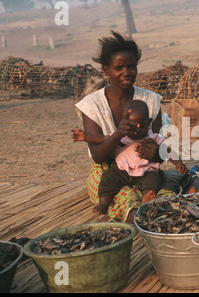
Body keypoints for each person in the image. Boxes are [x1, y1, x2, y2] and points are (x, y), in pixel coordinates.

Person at [75, 30, 175, 224]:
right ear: (106, 70)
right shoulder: (92, 105)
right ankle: (137, 217)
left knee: (159, 191)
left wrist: (157, 153)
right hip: (108, 169)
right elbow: (97, 155)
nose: (126, 72)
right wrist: (118, 134)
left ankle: (155, 213)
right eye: (119, 67)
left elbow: (159, 150)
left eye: (131, 66)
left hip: (144, 168)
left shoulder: (151, 100)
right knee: (117, 194)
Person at [74, 100, 188, 215]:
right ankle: (104, 203)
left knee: (153, 181)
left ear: (148, 123)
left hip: (146, 172)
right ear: (123, 124)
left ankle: (146, 198)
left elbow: (167, 150)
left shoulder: (154, 137)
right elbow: (102, 139)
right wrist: (86, 137)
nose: (136, 130)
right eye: (132, 127)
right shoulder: (121, 136)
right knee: (107, 178)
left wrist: (178, 163)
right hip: (121, 170)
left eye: (141, 126)